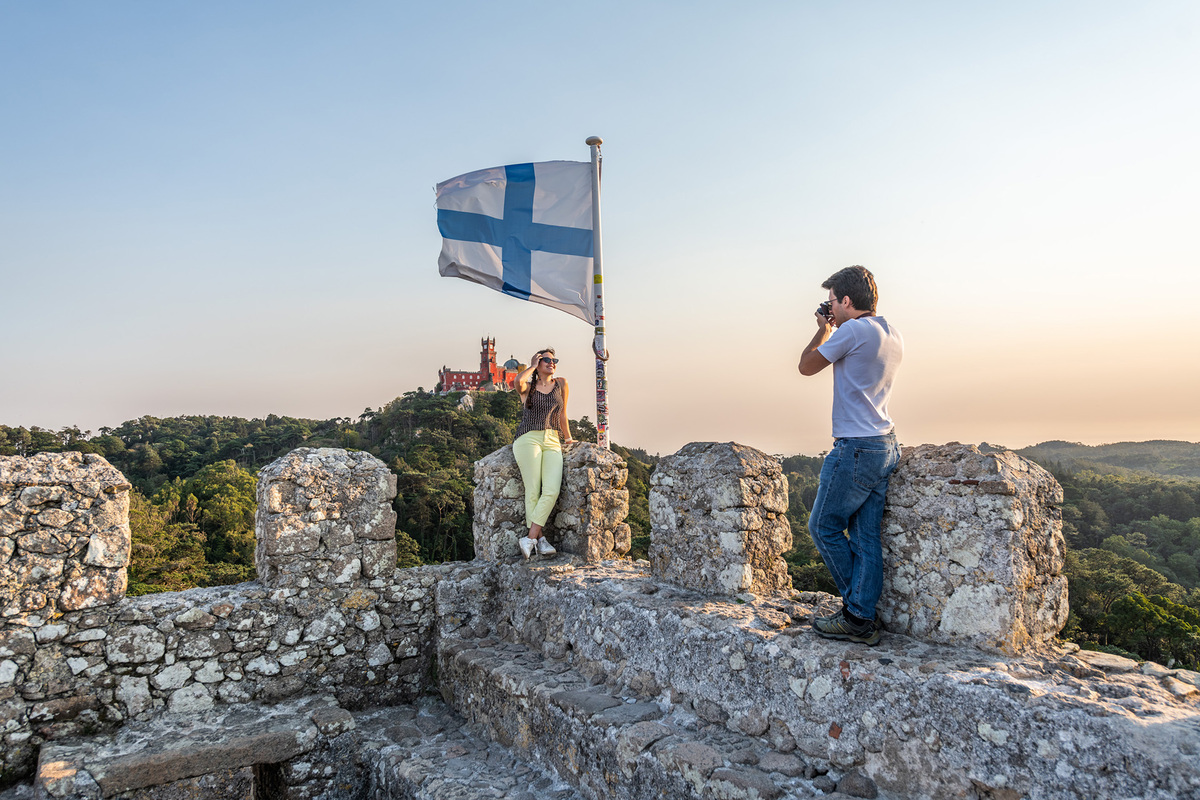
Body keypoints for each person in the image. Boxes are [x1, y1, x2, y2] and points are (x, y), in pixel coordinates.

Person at [797, 266, 903, 646]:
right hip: (885, 442)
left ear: (846, 301)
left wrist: (824, 328)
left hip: (855, 446)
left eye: (832, 301)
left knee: (822, 526)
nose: (830, 307)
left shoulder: (853, 331)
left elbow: (806, 366)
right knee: (864, 537)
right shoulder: (890, 332)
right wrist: (834, 326)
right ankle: (861, 614)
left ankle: (857, 613)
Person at [513, 347, 574, 559]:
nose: (551, 363)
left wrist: (568, 439)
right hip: (528, 438)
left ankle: (530, 538)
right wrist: (531, 366)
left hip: (552, 439)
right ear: (538, 363)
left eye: (554, 359)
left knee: (551, 490)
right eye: (546, 359)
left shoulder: (561, 384)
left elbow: (563, 414)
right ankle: (540, 540)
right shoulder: (528, 387)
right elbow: (516, 382)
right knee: (533, 490)